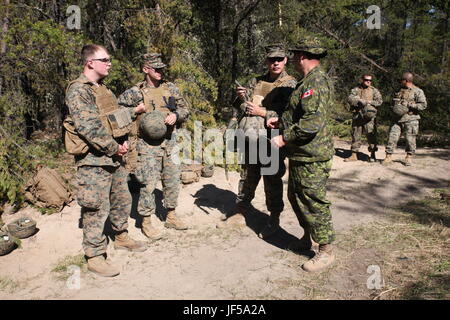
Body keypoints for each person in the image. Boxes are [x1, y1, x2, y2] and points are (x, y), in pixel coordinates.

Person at [65, 44, 147, 277]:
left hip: (114, 157)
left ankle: (121, 236)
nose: (110, 63)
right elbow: (89, 128)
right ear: (90, 62)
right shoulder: (79, 90)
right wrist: (114, 148)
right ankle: (94, 255)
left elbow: (112, 119)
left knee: (121, 199)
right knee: (95, 208)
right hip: (93, 160)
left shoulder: (104, 90)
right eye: (105, 59)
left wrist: (131, 119)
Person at [267, 37, 336, 272]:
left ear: (303, 57)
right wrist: (282, 121)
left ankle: (325, 251)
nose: (295, 60)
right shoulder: (306, 81)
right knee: (297, 198)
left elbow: (311, 123)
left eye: (296, 55)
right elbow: (299, 114)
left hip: (313, 155)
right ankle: (307, 237)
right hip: (301, 154)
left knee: (313, 201)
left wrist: (284, 137)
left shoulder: (316, 82)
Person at [226, 44, 296, 238]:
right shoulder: (255, 81)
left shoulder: (290, 84)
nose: (276, 63)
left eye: (279, 59)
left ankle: (274, 218)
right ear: (266, 61)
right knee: (247, 173)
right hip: (251, 137)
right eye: (272, 59)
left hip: (273, 139)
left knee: (272, 177)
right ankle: (241, 209)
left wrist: (262, 112)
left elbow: (290, 115)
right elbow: (239, 108)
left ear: (285, 60)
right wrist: (240, 98)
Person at [118, 53, 190, 241]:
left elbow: (184, 109)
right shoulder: (134, 93)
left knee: (173, 179)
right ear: (145, 69)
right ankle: (146, 221)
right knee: (148, 183)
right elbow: (116, 116)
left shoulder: (170, 88)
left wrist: (177, 116)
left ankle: (171, 215)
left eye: (161, 68)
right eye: (155, 68)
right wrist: (135, 111)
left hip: (170, 141)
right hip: (147, 145)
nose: (160, 72)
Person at [383, 72, 427, 166]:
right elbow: (392, 101)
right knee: (392, 137)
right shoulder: (398, 90)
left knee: (410, 139)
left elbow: (423, 105)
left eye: (401, 80)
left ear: (406, 81)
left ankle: (408, 157)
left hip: (410, 119)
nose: (400, 82)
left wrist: (410, 105)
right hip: (397, 119)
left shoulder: (417, 91)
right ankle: (388, 156)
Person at [345, 74, 383, 162]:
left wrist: (369, 102)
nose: (368, 81)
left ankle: (373, 154)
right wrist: (358, 100)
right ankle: (354, 155)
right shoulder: (356, 90)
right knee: (355, 135)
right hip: (357, 116)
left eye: (370, 80)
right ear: (362, 80)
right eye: (366, 80)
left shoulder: (374, 91)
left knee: (371, 136)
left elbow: (379, 101)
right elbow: (350, 98)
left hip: (369, 117)